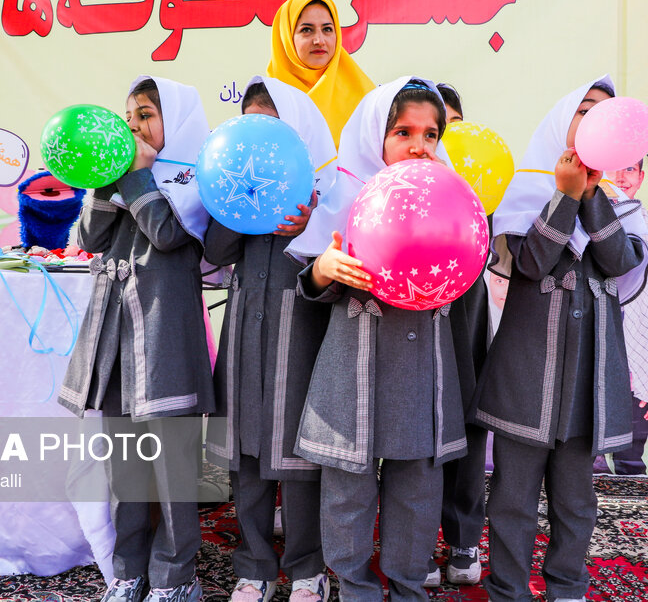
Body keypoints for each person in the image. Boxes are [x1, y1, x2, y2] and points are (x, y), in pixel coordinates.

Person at [286, 77, 468, 601]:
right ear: (374, 137)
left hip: (419, 368)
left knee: (416, 492)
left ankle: (410, 587)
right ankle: (356, 590)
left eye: (431, 134)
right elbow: (311, 288)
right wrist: (324, 268)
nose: (418, 146)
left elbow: (464, 279)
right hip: (353, 371)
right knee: (347, 492)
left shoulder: (450, 199)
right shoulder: (343, 201)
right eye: (402, 131)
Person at [472, 75, 648, 602]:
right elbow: (530, 262)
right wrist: (565, 196)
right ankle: (508, 590)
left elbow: (620, 262)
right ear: (563, 121)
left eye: (606, 114)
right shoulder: (525, 191)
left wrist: (592, 197)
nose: (596, 123)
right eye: (585, 111)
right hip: (527, 378)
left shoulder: (619, 202)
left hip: (586, 387)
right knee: (512, 500)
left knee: (576, 502)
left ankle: (568, 588)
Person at [59, 76, 215, 602]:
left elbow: (171, 236)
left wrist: (139, 178)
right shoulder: (125, 176)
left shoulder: (196, 178)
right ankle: (128, 569)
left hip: (165, 340)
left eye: (146, 115)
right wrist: (108, 179)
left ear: (178, 120)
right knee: (125, 463)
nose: (133, 128)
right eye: (128, 119)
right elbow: (87, 238)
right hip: (117, 340)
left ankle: (176, 577)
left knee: (172, 469)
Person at [204, 76, 337, 602]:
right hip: (245, 334)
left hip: (299, 333)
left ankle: (308, 568)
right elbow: (216, 249)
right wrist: (236, 194)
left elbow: (334, 261)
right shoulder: (235, 186)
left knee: (299, 454)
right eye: (254, 126)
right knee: (248, 455)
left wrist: (308, 223)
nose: (264, 138)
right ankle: (254, 565)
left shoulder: (323, 192)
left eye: (274, 125)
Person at [424, 80, 487, 587]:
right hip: (410, 311)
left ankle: (464, 542)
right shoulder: (394, 188)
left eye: (448, 125)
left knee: (466, 421)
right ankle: (417, 543)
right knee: (410, 426)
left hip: (464, 310)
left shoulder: (479, 182)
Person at [592, 160, 648, 475]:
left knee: (631, 459)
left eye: (629, 169)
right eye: (612, 166)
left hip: (640, 360)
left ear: (641, 177)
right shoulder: (581, 225)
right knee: (588, 459)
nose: (619, 176)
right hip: (591, 359)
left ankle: (631, 518)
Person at [266, 0, 374, 146]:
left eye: (328, 29)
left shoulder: (365, 98)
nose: (319, 40)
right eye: (306, 30)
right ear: (286, 37)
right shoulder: (267, 99)